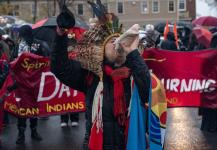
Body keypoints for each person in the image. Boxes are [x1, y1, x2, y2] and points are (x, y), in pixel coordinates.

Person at [51, 5, 151, 149]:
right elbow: (60, 68)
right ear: (102, 50)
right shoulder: (91, 76)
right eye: (112, 42)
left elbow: (147, 91)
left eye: (120, 40)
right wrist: (61, 34)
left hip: (130, 144)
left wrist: (133, 52)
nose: (118, 44)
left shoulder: (134, 71)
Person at [16, 25, 46, 144]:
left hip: (34, 81)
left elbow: (44, 59)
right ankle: (21, 133)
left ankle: (33, 131)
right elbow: (14, 60)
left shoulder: (37, 44)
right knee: (23, 108)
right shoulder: (20, 45)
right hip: (22, 82)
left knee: (32, 107)